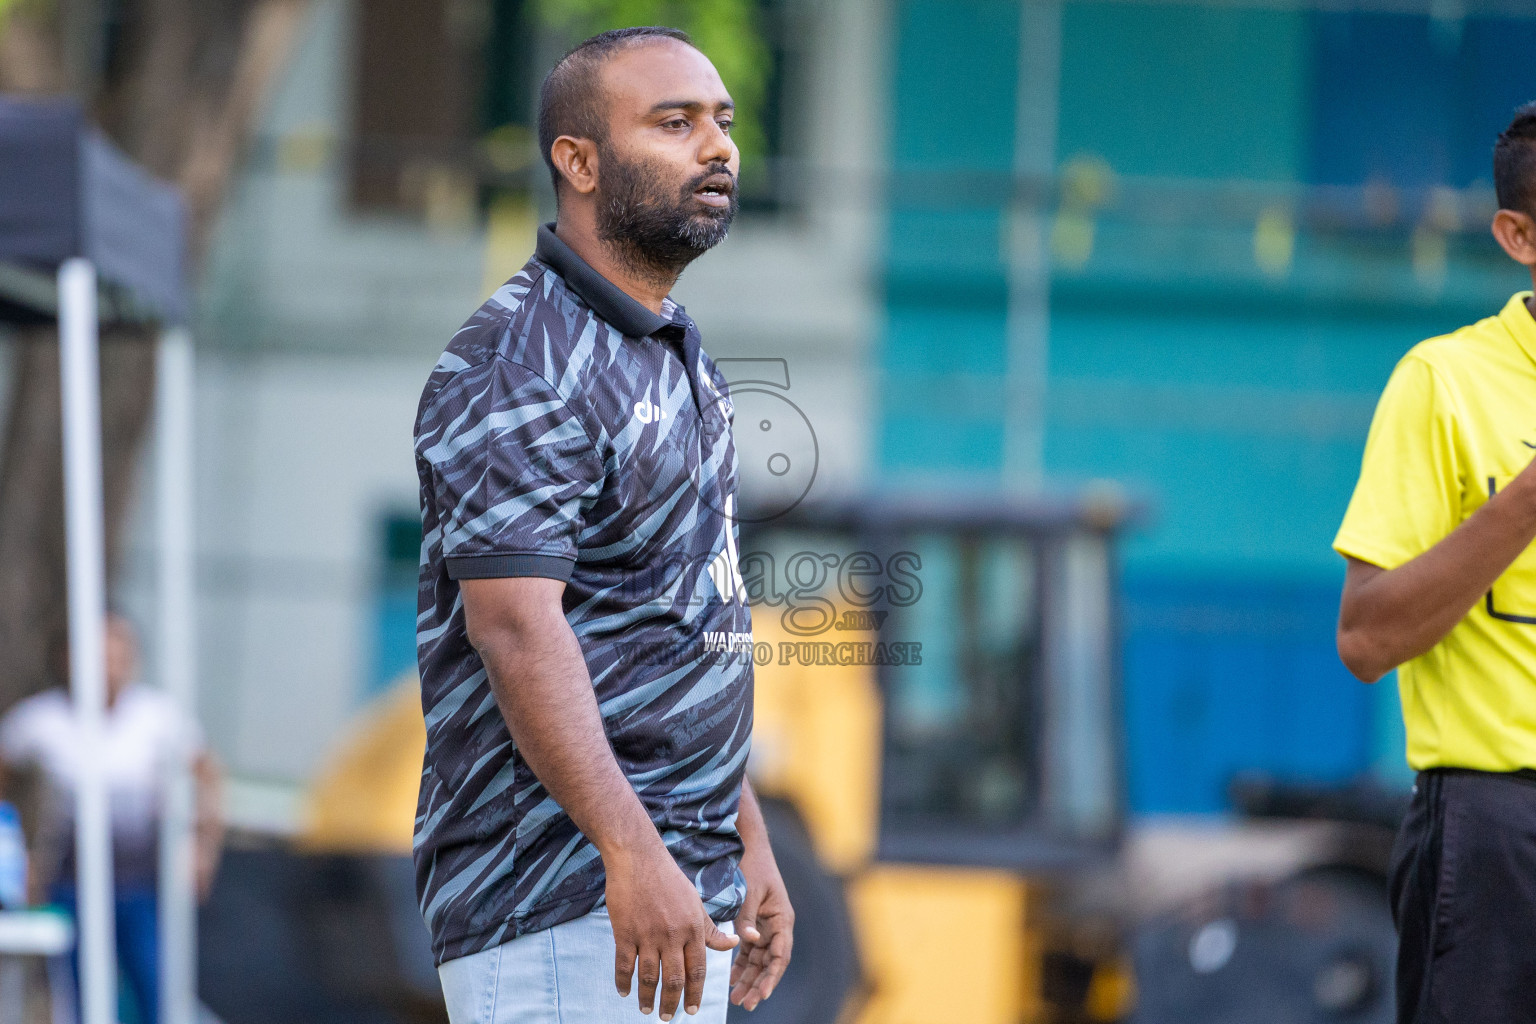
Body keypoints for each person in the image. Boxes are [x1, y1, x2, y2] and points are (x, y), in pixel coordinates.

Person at [413, 26, 792, 1024]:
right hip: (561, 901)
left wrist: (743, 835)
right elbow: (514, 624)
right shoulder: (519, 357)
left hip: (671, 889)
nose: (717, 147)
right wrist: (633, 851)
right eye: (674, 123)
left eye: (724, 122)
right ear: (576, 161)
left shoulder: (675, 354)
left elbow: (676, 623)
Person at [1334, 101, 1536, 1024]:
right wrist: (1523, 504)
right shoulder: (1444, 384)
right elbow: (1368, 638)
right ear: (1519, 235)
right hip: (1499, 837)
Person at [0, 612, 222, 1024]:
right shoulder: (41, 720)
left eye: (117, 656)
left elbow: (209, 776)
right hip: (70, 884)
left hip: (143, 885)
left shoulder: (157, 715)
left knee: (158, 994)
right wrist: (11, 852)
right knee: (79, 1001)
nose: (109, 668)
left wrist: (201, 844)